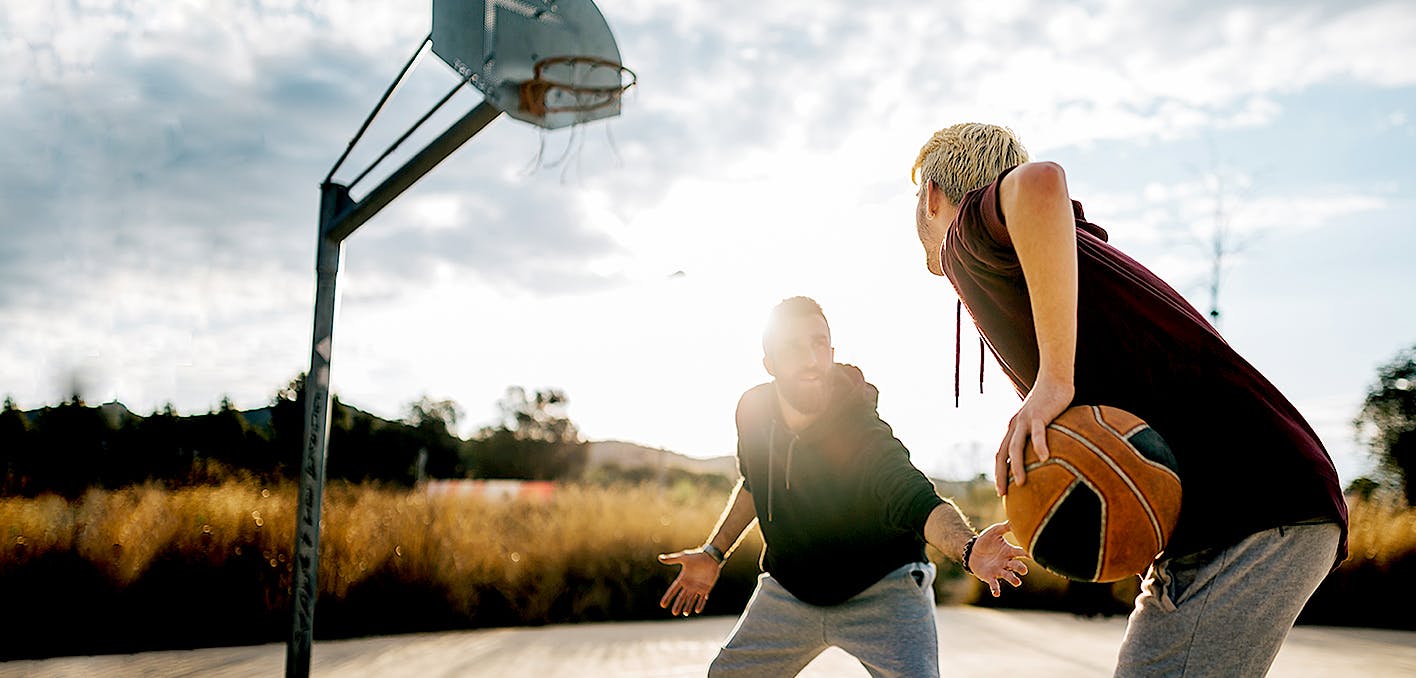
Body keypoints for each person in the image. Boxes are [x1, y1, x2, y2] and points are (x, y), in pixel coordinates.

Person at [908, 123, 1349, 676]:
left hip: (1254, 504)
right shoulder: (1051, 259)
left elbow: (1041, 181)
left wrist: (1053, 381)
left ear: (931, 196)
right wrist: (1045, 511)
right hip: (1246, 502)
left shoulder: (969, 234)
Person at [658, 296, 1028, 678]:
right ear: (769, 363)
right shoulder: (752, 412)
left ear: (832, 352)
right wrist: (713, 552)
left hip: (883, 588)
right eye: (793, 347)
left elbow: (918, 500)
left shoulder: (861, 434)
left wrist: (968, 549)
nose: (810, 358)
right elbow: (755, 484)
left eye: (819, 344)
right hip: (790, 590)